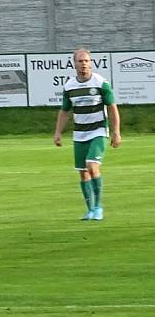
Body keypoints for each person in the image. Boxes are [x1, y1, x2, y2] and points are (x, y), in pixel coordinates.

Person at [53, 49, 121, 222]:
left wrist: (116, 131)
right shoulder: (69, 86)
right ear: (74, 63)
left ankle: (98, 207)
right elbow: (64, 111)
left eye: (87, 61)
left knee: (92, 165)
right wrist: (58, 132)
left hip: (98, 131)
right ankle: (90, 210)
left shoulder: (100, 83)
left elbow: (112, 107)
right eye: (80, 61)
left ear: (91, 63)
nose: (84, 64)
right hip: (79, 133)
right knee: (83, 173)